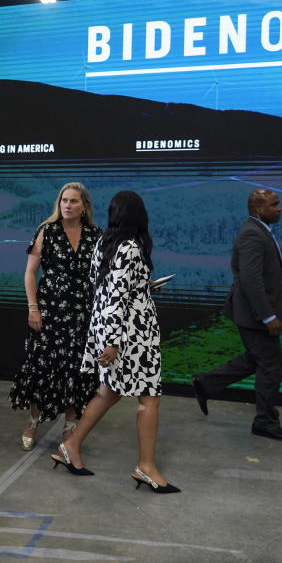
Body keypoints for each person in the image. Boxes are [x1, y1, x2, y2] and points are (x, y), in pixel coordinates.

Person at [53, 191, 180, 495]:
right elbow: (117, 296)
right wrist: (113, 342)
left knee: (109, 392)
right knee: (149, 396)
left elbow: (110, 288)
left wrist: (145, 287)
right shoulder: (131, 247)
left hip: (111, 327)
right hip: (131, 335)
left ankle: (70, 445)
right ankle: (146, 467)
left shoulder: (104, 243)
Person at [191, 189, 282, 442]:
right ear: (259, 209)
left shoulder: (261, 232)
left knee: (257, 360)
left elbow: (275, 275)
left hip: (254, 315)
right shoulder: (252, 234)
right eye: (274, 204)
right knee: (271, 366)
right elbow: (251, 281)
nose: (280, 208)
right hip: (254, 317)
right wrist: (268, 317)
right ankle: (265, 422)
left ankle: (205, 383)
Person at [9, 182, 102, 450]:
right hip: (48, 310)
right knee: (42, 367)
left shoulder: (95, 234)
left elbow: (105, 273)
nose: (67, 205)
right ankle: (33, 421)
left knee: (76, 368)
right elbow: (30, 273)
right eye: (64, 200)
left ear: (84, 206)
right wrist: (33, 308)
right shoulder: (47, 231)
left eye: (73, 201)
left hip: (81, 312)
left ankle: (70, 426)